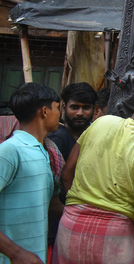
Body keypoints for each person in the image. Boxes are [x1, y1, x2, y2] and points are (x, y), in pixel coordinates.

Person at [52, 83, 134, 263]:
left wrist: (78, 206)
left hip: (71, 225)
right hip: (114, 236)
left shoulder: (101, 121)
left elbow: (67, 173)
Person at [0, 83, 61, 264]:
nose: (60, 114)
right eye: (57, 108)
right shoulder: (10, 151)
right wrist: (16, 253)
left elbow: (49, 202)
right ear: (44, 112)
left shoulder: (44, 151)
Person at [48, 82, 97, 161]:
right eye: (74, 107)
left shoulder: (97, 137)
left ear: (94, 110)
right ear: (64, 108)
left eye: (86, 108)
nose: (80, 113)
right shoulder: (58, 138)